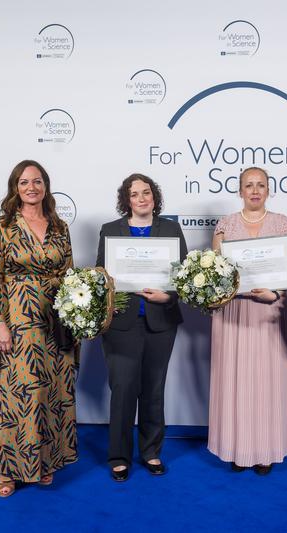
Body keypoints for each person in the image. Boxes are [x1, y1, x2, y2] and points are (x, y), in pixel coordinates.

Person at [0, 160, 77, 498]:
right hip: (18, 319)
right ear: (14, 188)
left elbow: (70, 274)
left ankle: (44, 463)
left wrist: (77, 314)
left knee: (51, 392)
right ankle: (7, 469)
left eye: (37, 181)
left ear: (45, 185)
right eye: (23, 182)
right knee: (17, 394)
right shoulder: (1, 225)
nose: (31, 187)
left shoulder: (60, 225)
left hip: (56, 319)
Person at [96, 174, 188, 482]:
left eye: (146, 192)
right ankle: (119, 456)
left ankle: (151, 451)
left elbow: (184, 277)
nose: (142, 198)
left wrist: (168, 295)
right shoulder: (110, 231)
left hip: (160, 320)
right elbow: (101, 278)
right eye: (134, 194)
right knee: (123, 390)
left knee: (153, 388)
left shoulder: (172, 229)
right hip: (121, 323)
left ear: (154, 196)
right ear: (127, 200)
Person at [208, 166, 287, 475]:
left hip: (268, 312)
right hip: (233, 313)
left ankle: (265, 451)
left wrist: (274, 295)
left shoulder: (282, 223)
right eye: (249, 185)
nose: (255, 190)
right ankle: (235, 447)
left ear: (269, 189)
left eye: (261, 185)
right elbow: (213, 276)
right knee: (235, 380)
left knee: (265, 382)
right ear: (240, 191)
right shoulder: (225, 225)